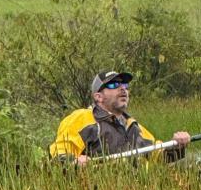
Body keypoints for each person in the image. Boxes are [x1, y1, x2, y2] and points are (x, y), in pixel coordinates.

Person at [50, 70, 191, 165]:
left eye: (124, 85)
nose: (122, 88)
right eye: (113, 84)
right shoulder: (82, 118)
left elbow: (159, 156)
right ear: (98, 96)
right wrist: (74, 161)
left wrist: (177, 145)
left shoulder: (134, 126)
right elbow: (58, 154)